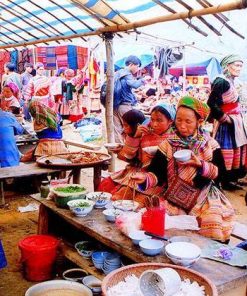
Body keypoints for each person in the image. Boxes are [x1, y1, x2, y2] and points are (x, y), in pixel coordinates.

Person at [131, 96, 235, 242]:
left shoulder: (210, 145)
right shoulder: (167, 145)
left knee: (212, 224)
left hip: (204, 196)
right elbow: (157, 173)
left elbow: (222, 175)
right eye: (179, 120)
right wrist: (145, 178)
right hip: (173, 195)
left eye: (188, 121)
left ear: (199, 122)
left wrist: (201, 165)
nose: (182, 126)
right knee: (152, 220)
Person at [101, 103, 176, 207]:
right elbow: (129, 156)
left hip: (159, 180)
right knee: (113, 196)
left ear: (170, 121)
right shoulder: (146, 133)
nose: (154, 124)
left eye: (159, 120)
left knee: (137, 204)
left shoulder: (174, 140)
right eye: (152, 119)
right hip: (139, 172)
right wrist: (136, 136)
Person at [208, 54, 247, 190]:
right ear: (227, 66)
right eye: (236, 65)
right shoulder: (221, 81)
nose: (239, 68)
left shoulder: (231, 81)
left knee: (235, 150)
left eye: (241, 65)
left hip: (234, 121)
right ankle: (223, 180)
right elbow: (211, 103)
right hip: (226, 124)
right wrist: (226, 119)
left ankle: (230, 179)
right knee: (225, 151)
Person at [113, 55, 146, 143]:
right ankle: (129, 149)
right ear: (131, 64)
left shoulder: (117, 73)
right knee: (130, 128)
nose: (138, 69)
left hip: (114, 104)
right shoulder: (126, 73)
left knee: (117, 129)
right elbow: (134, 85)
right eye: (137, 66)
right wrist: (143, 80)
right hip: (124, 105)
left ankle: (118, 149)